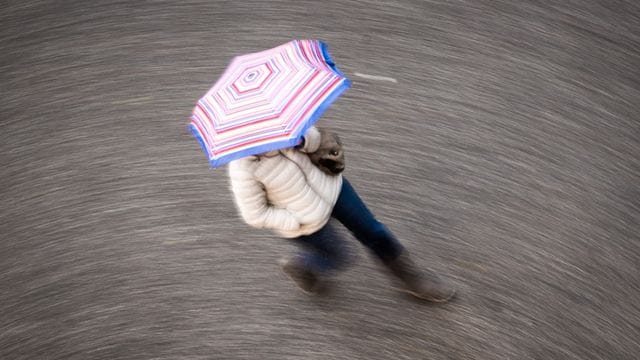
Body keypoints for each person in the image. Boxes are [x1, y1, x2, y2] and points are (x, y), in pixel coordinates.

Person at [227, 126, 455, 302]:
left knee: (374, 231)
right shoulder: (243, 168)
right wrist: (295, 220)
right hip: (305, 223)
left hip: (333, 189)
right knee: (341, 257)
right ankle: (303, 266)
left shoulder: (284, 126)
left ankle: (411, 278)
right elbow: (254, 215)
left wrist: (304, 139)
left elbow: (316, 139)